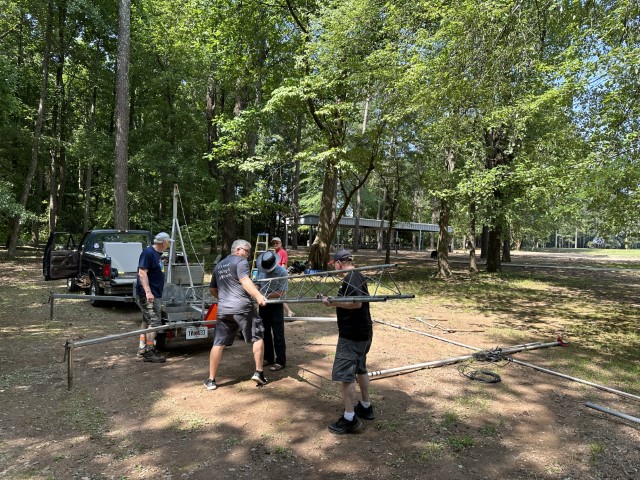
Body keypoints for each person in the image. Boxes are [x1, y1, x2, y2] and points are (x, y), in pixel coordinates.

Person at [322, 248, 374, 434]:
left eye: (334, 264)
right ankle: (366, 406)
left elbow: (356, 303)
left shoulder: (351, 277)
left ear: (339, 263)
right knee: (360, 368)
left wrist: (333, 303)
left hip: (352, 335)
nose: (334, 268)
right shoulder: (357, 276)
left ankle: (349, 418)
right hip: (363, 332)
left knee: (346, 375)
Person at [204, 239, 268, 391]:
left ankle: (211, 380)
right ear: (238, 250)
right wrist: (259, 296)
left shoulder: (219, 265)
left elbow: (212, 289)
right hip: (242, 307)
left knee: (218, 343)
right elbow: (245, 280)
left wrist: (224, 298)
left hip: (224, 309)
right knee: (257, 336)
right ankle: (259, 372)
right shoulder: (240, 261)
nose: (248, 254)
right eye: (247, 251)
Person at [136, 231, 174, 363]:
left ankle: (142, 347)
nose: (168, 245)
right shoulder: (148, 253)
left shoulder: (157, 254)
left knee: (146, 320)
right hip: (149, 294)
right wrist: (148, 292)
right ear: (163, 242)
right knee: (154, 322)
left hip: (154, 293)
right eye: (168, 242)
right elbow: (142, 273)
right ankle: (149, 352)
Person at [256, 251, 288, 371]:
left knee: (278, 333)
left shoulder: (282, 272)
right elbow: (257, 283)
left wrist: (265, 296)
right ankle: (268, 358)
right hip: (263, 304)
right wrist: (256, 291)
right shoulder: (260, 269)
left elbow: (282, 292)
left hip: (276, 305)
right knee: (265, 332)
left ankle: (280, 361)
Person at [271, 236, 294, 317]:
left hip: (280, 276)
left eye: (277, 243)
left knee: (280, 294)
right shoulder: (274, 253)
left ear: (281, 244)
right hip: (275, 275)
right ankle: (289, 311)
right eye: (273, 243)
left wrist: (279, 274)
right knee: (277, 295)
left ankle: (289, 311)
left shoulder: (283, 252)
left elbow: (283, 266)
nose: (275, 244)